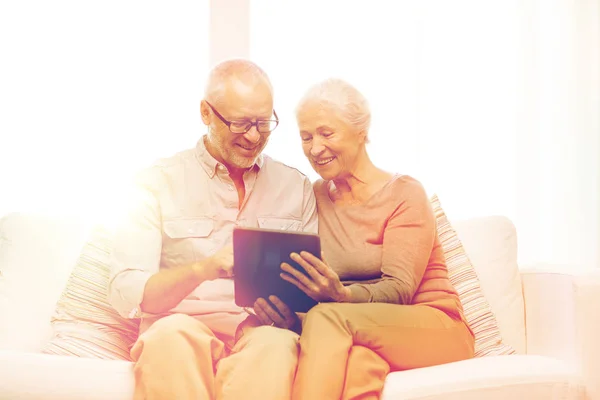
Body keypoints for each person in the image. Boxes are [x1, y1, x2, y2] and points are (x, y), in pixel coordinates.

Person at [107, 59, 318, 400]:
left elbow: (308, 298)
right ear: (206, 113)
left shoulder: (296, 187)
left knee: (279, 345)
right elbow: (126, 291)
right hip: (180, 326)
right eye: (240, 123)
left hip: (261, 331)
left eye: (264, 123)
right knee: (168, 339)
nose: (253, 136)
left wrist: (292, 318)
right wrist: (204, 268)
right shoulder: (155, 182)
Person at [280, 78, 475, 399]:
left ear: (361, 131)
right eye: (306, 137)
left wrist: (340, 296)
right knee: (356, 368)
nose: (315, 148)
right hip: (362, 328)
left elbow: (399, 289)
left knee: (327, 317)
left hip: (434, 326)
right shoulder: (312, 197)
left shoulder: (404, 192)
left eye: (327, 133)